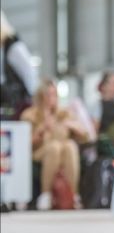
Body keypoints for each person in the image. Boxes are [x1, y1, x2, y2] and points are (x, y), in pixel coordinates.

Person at [20, 79, 90, 210]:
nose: (52, 98)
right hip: (40, 152)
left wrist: (72, 126)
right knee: (54, 148)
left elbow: (86, 136)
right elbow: (23, 143)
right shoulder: (30, 115)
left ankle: (73, 195)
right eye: (48, 94)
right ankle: (45, 195)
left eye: (54, 94)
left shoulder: (64, 113)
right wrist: (42, 129)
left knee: (70, 146)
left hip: (64, 152)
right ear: (41, 96)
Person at [0, 10, 38, 120]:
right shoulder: (3, 48)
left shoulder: (14, 48)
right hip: (9, 105)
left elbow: (30, 76)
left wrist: (36, 103)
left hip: (21, 106)